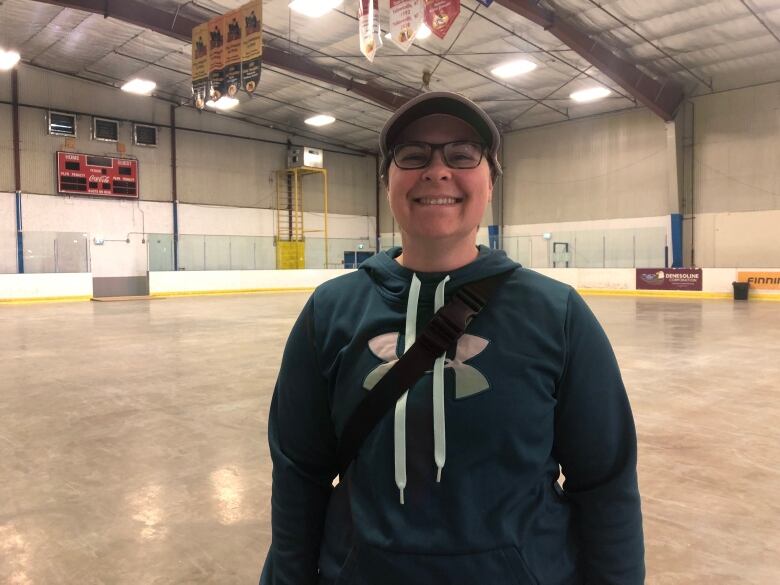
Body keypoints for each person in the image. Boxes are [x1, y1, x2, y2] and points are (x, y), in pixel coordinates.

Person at [260, 92, 644, 585]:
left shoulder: (558, 314)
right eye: (413, 155)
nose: (437, 170)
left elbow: (606, 485)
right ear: (387, 181)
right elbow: (298, 476)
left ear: (490, 181)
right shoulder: (330, 312)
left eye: (462, 155)